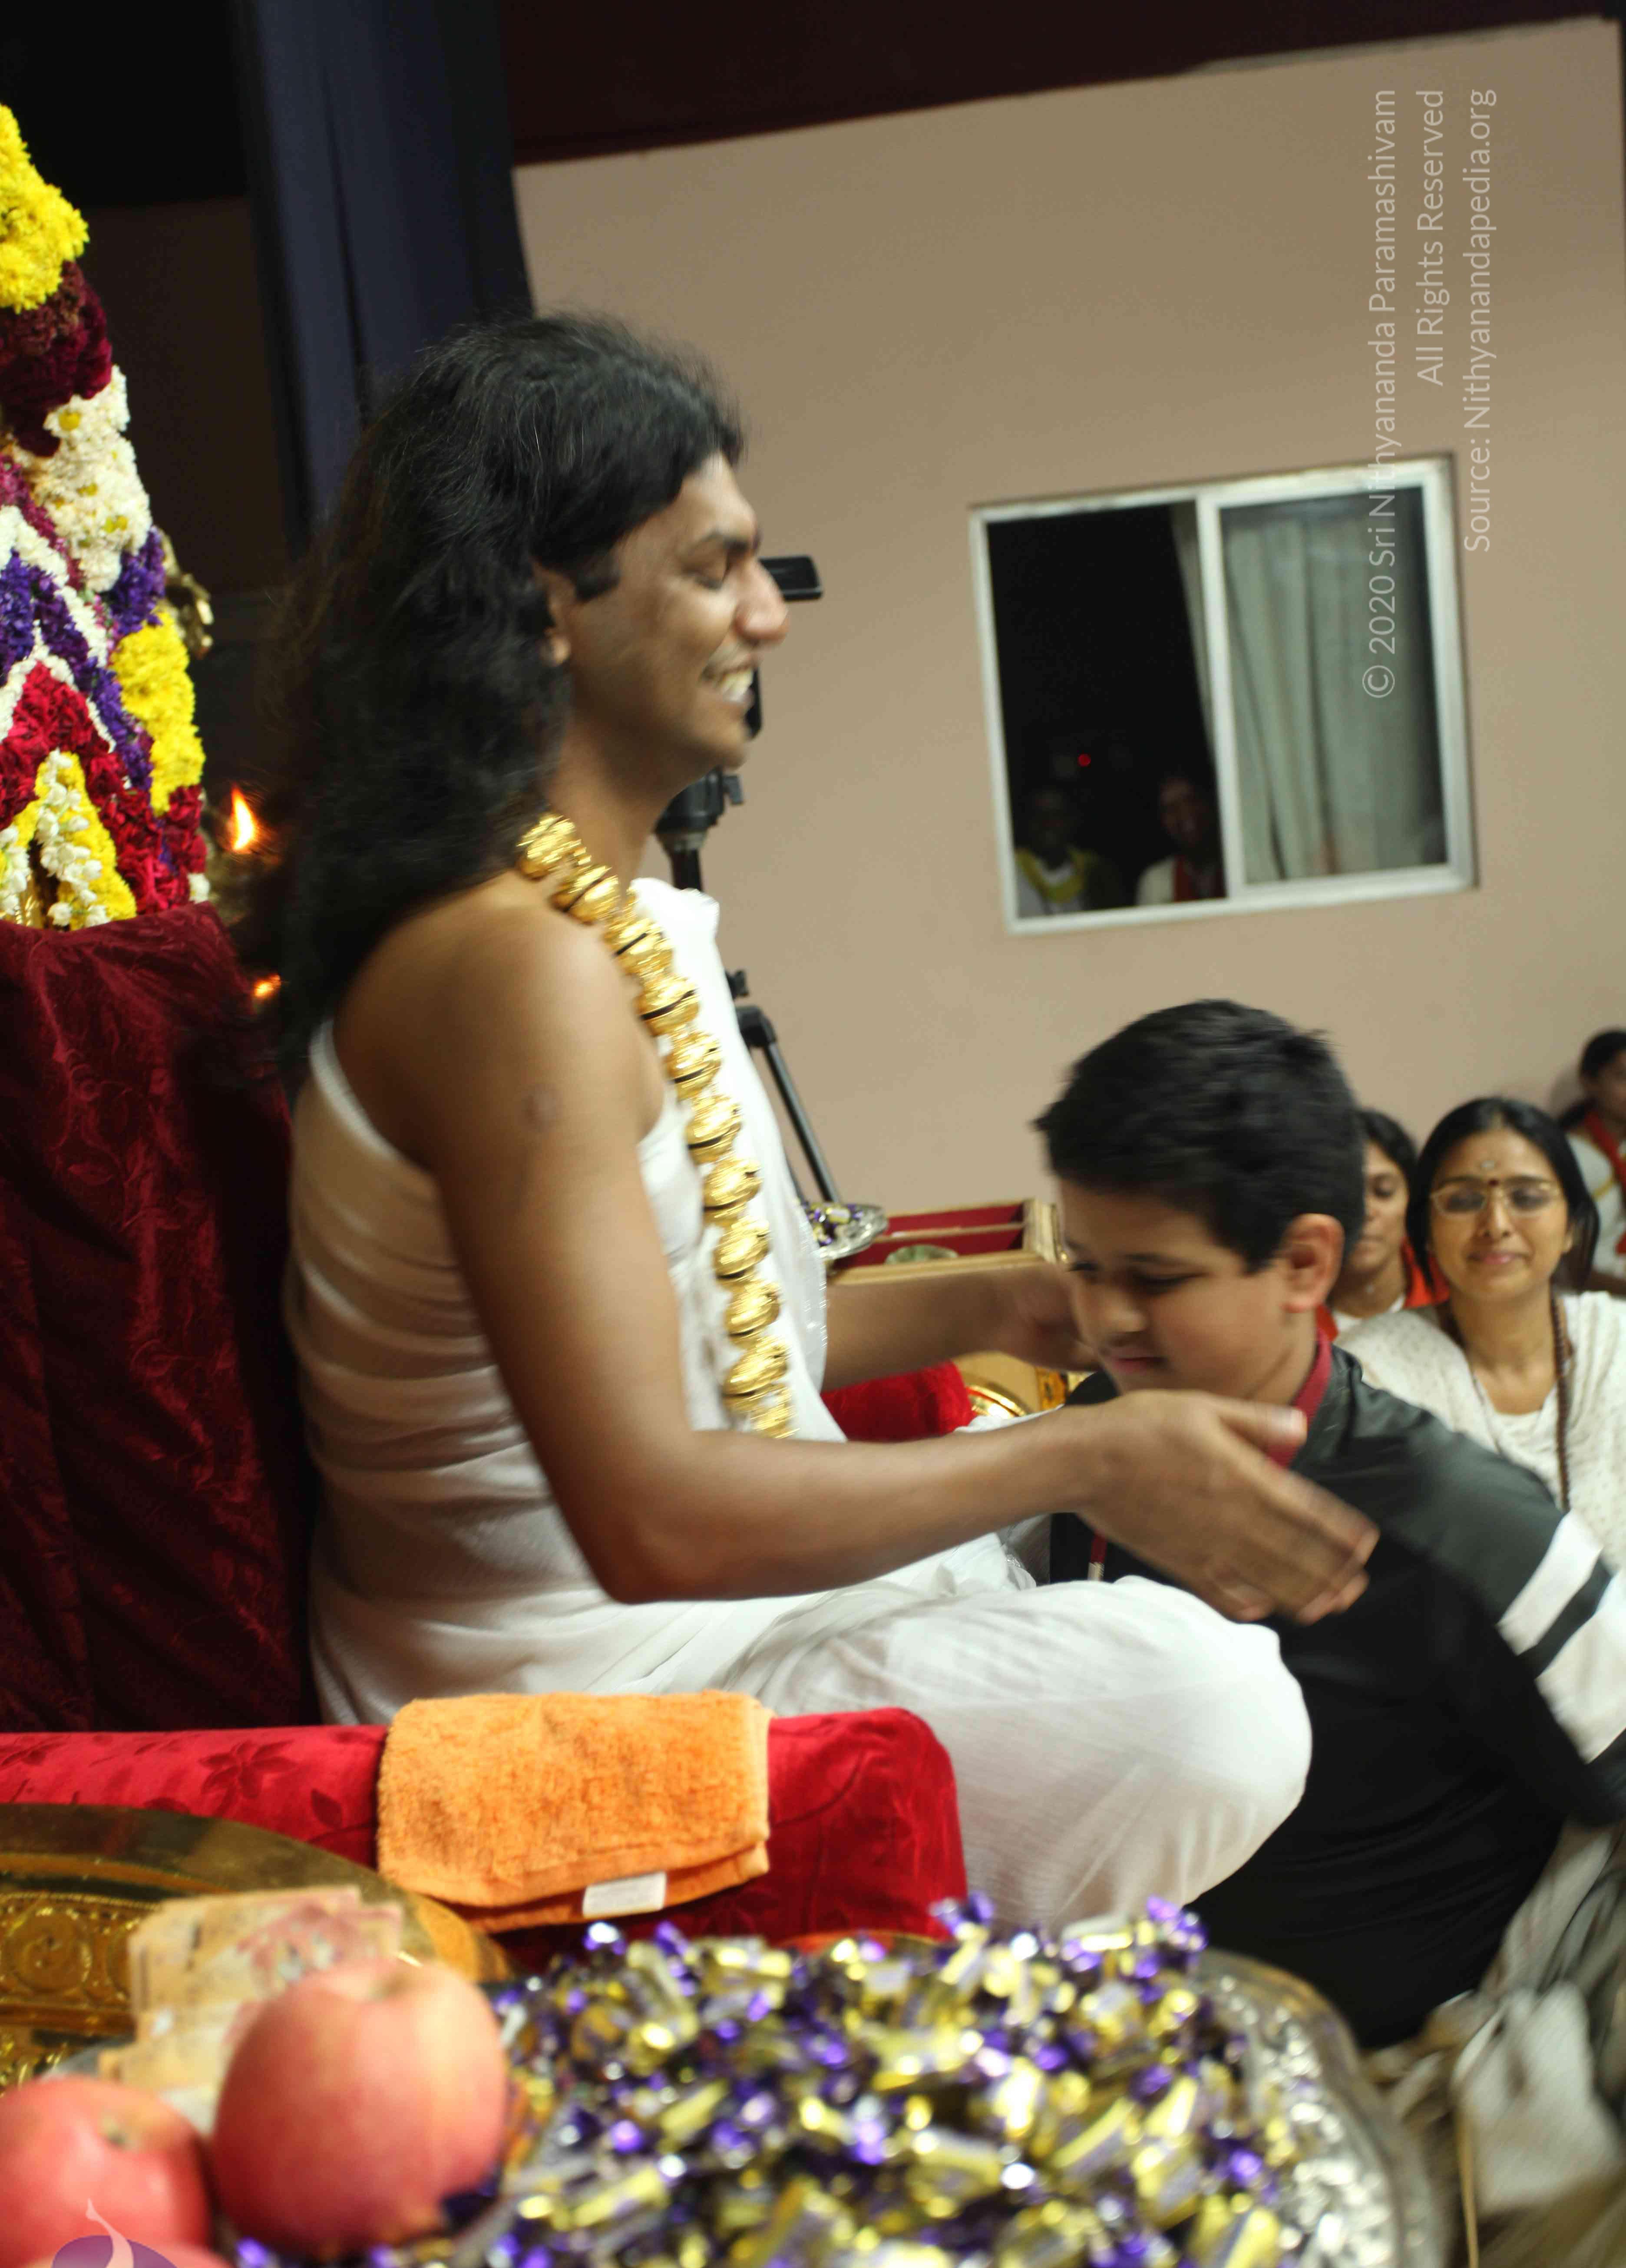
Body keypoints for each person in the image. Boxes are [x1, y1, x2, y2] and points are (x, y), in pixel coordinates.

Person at [234, 316, 1376, 1935]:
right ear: (548, 606)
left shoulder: (606, 922)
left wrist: (1010, 1305)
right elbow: (647, 1514)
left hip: (710, 1622)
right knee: (1211, 1708)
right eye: (716, 569)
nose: (769, 613)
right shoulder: (507, 971)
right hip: (570, 1698)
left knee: (1147, 1637)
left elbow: (719, 1350)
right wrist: (1089, 1447)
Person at [1040, 1004, 1626, 2268]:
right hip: (1197, 2112)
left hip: (1434, 2133)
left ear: (1306, 1262)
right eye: (1083, 1267)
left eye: (1155, 1278)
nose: (1106, 1319)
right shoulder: (1093, 1450)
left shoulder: (1463, 1527)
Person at [1346, 1097, 1626, 1568]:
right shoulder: (1371, 1376)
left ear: (1572, 1227)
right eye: (1462, 1201)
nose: (1496, 1225)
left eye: (1527, 1198)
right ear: (1427, 1230)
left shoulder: (1618, 1341)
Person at [1320, 1106, 1437, 1335]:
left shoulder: (1451, 1299)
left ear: (1413, 1201)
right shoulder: (1287, 1310)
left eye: (1384, 1191)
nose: (1365, 1211)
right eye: (1347, 1194)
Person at [1563, 1027, 1626, 1289]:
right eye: (1623, 1077)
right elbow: (1575, 1269)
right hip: (1594, 1294)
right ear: (1590, 1082)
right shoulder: (1571, 1154)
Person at [1012, 785, 1124, 918]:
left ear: (1073, 820)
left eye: (1057, 815)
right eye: (1039, 815)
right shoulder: (1009, 872)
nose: (1048, 823)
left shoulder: (1097, 872)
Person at [1134, 768, 1225, 905]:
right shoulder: (1156, 883)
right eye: (1171, 808)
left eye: (1192, 800)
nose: (1184, 813)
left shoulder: (1241, 868)